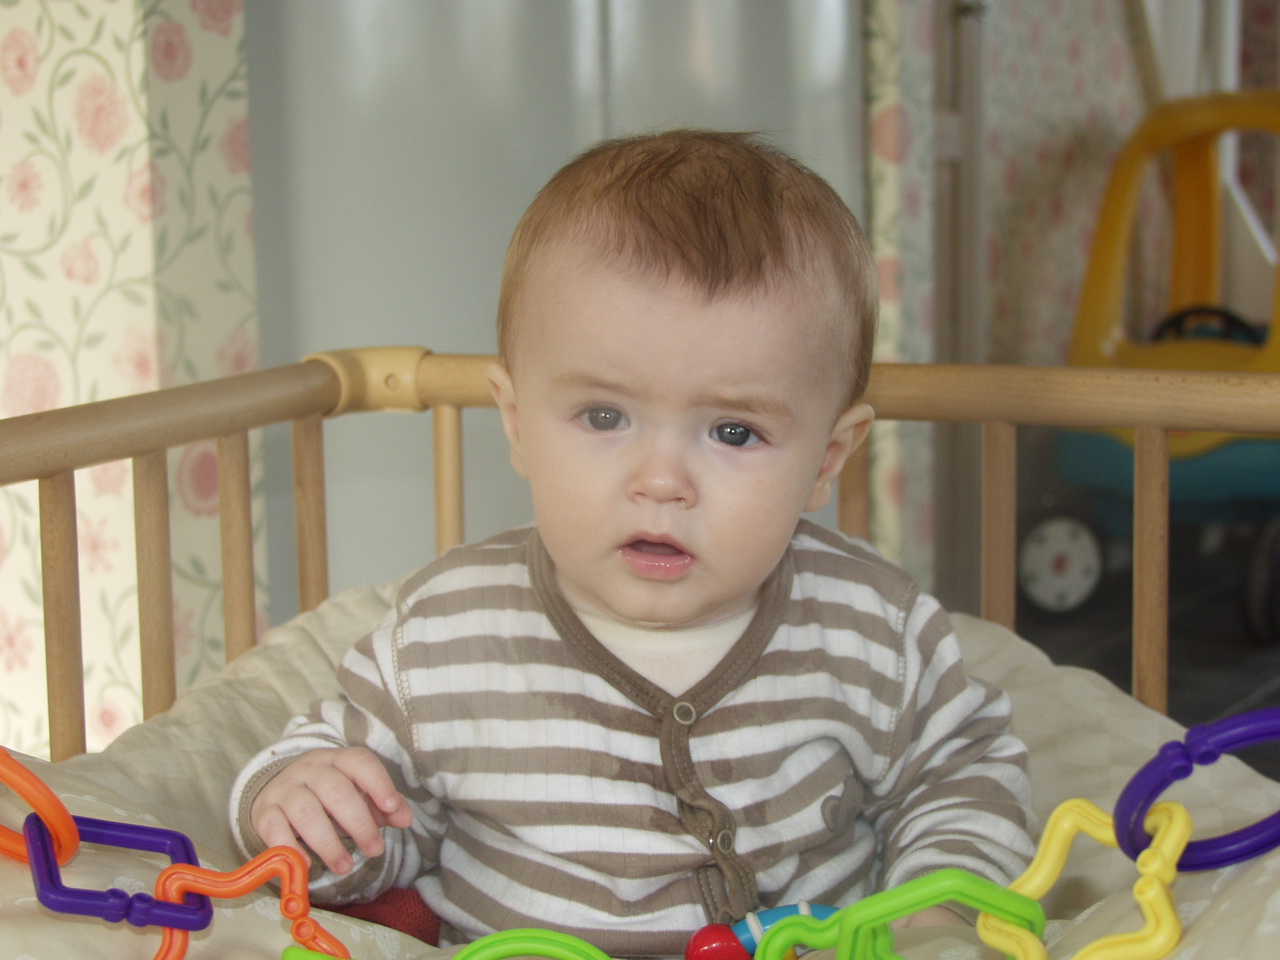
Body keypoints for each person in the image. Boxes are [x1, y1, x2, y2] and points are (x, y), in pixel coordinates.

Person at [230, 130, 1034, 956]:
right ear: (517, 421)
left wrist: (938, 915)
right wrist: (308, 812)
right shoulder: (445, 637)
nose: (661, 481)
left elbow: (962, 776)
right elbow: (368, 825)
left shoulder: (873, 627)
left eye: (733, 431)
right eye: (605, 416)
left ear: (827, 459)